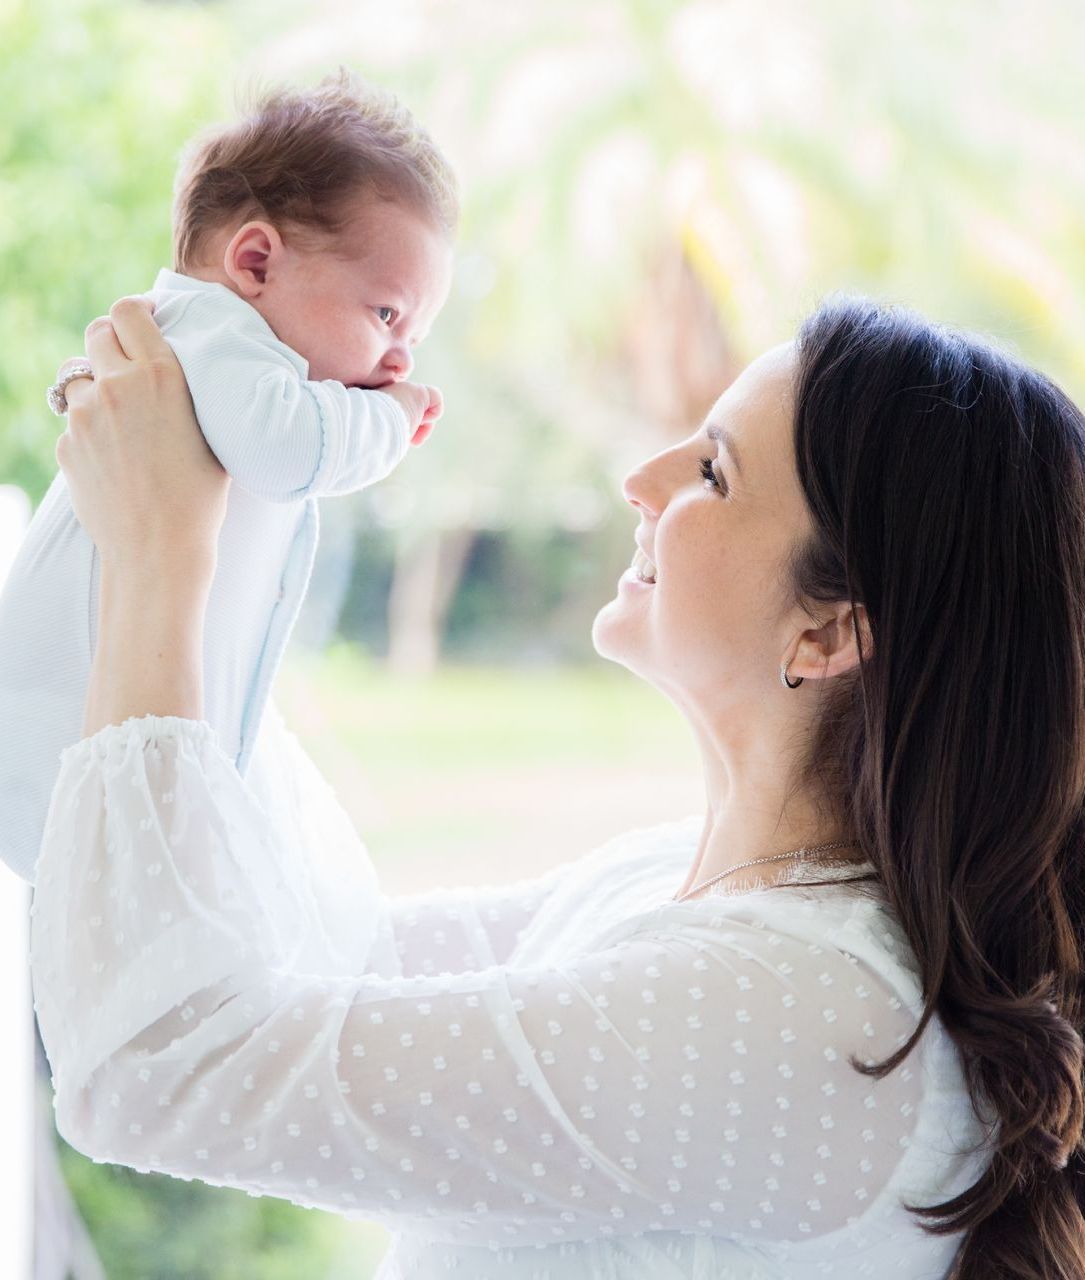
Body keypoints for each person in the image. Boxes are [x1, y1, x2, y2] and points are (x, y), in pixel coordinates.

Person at [28, 293, 1085, 1280]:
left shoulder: (806, 1012)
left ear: (826, 630)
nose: (642, 477)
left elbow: (159, 1064)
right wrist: (228, 529)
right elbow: (336, 951)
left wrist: (159, 560)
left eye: (711, 472)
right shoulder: (692, 888)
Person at [0, 70, 455, 883]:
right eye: (386, 313)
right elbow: (292, 454)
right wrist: (390, 420)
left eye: (414, 335)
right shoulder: (214, 333)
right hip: (57, 745)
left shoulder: (216, 356)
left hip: (102, 760)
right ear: (254, 262)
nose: (400, 356)